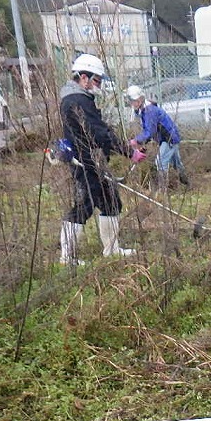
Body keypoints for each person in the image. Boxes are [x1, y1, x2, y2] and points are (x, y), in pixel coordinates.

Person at [58, 53, 147, 265]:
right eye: (96, 80)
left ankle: (112, 249)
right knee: (84, 206)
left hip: (93, 161)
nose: (99, 84)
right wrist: (129, 152)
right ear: (83, 77)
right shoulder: (76, 100)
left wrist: (123, 145)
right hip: (85, 162)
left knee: (111, 203)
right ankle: (67, 257)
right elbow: (99, 134)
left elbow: (101, 130)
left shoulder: (82, 98)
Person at [125, 85, 189, 189]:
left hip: (169, 139)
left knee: (160, 162)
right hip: (169, 138)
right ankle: (187, 184)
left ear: (140, 99)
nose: (132, 103)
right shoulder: (145, 110)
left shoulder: (149, 111)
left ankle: (162, 191)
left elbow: (150, 131)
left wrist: (136, 140)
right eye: (131, 101)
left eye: (133, 100)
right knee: (176, 163)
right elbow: (150, 130)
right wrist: (142, 142)